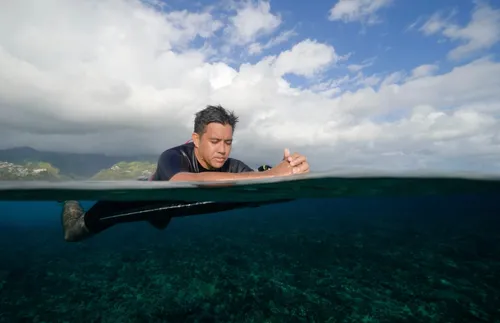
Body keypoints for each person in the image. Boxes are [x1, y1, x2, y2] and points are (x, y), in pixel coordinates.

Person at [61, 105, 310, 242]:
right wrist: (269, 176)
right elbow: (184, 181)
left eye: (228, 142)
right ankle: (70, 202)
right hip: (140, 198)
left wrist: (290, 170)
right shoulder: (173, 156)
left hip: (167, 210)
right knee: (74, 234)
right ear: (196, 139)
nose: (223, 150)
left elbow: (259, 182)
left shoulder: (233, 166)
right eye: (214, 141)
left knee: (160, 223)